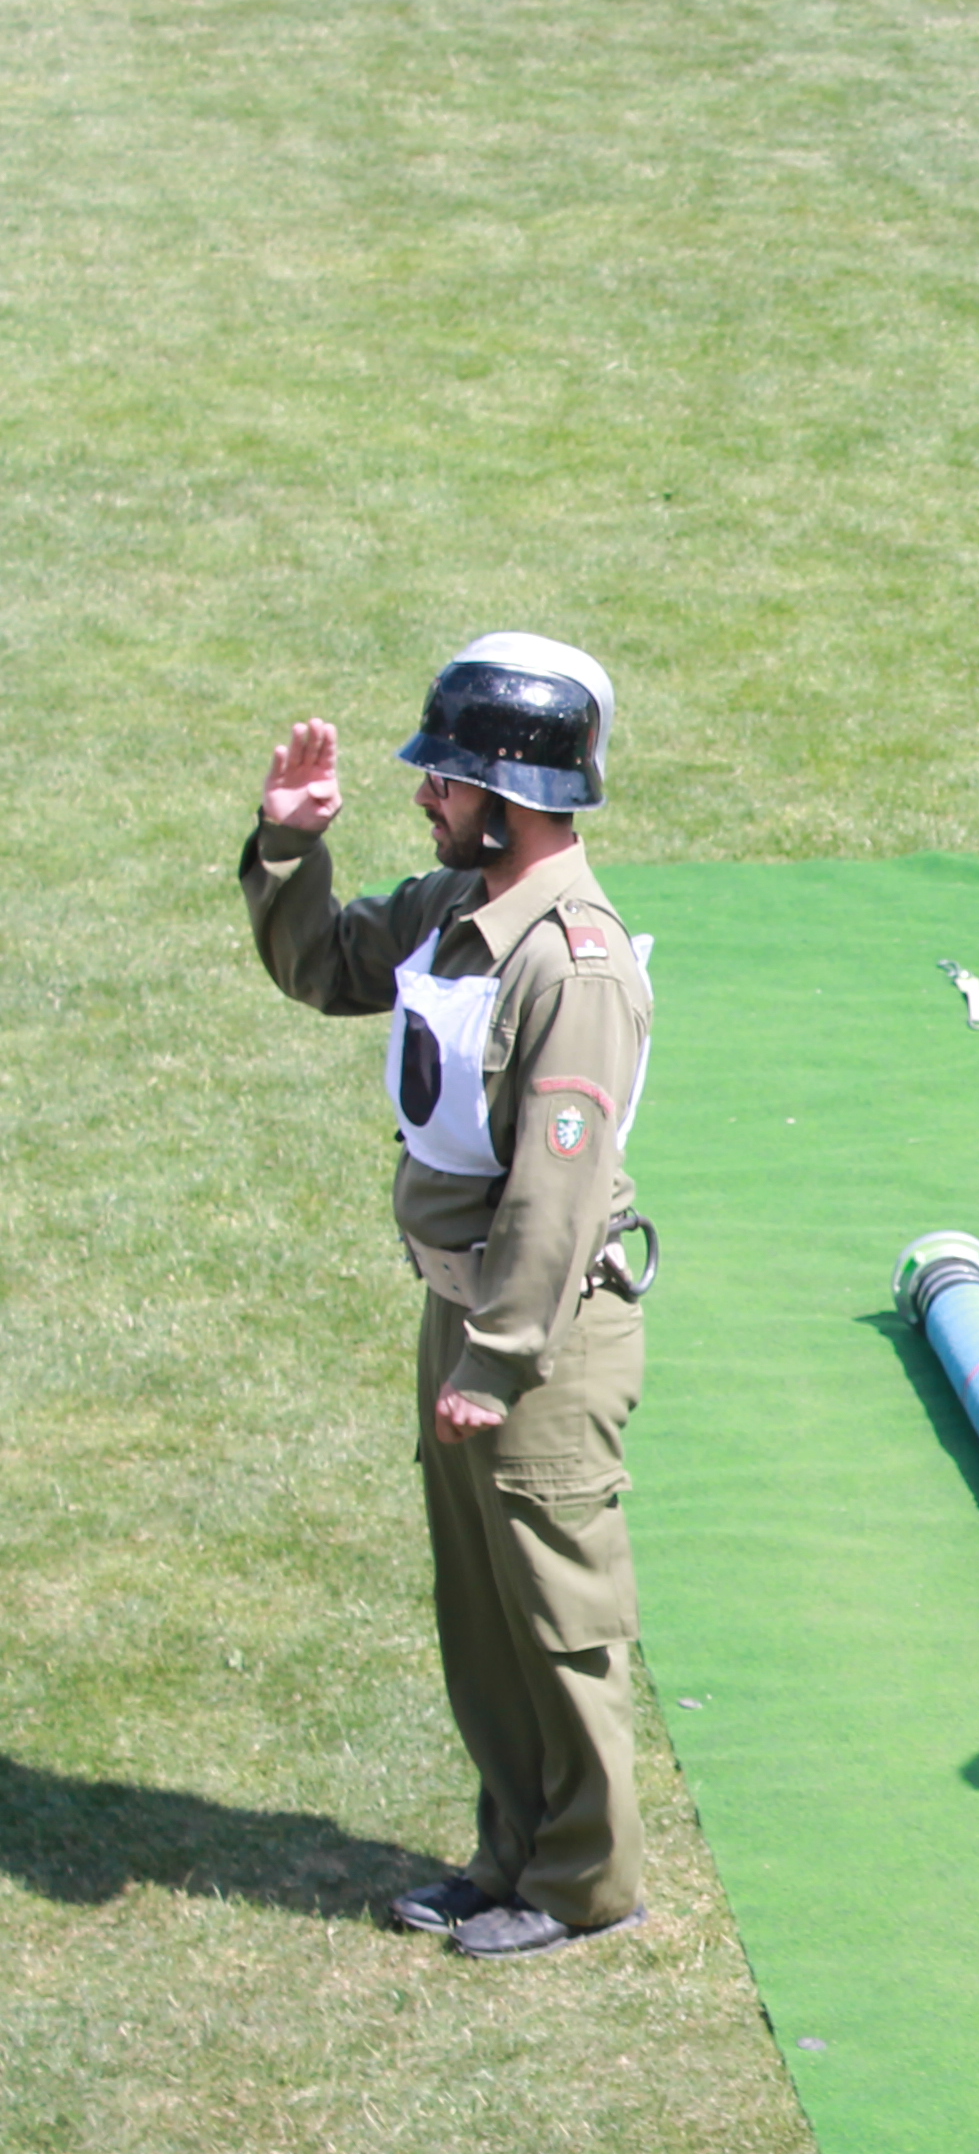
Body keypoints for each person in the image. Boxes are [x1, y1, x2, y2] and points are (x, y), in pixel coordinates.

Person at [243, 637, 657, 1960]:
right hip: (472, 1315)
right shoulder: (453, 907)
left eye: (449, 778)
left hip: (540, 1336)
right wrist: (289, 845)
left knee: (557, 1615)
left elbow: (557, 1190)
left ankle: (585, 1884)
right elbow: (325, 968)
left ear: (517, 793)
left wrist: (495, 1358)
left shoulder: (575, 965)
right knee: (482, 1612)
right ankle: (511, 1856)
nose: (426, 794)